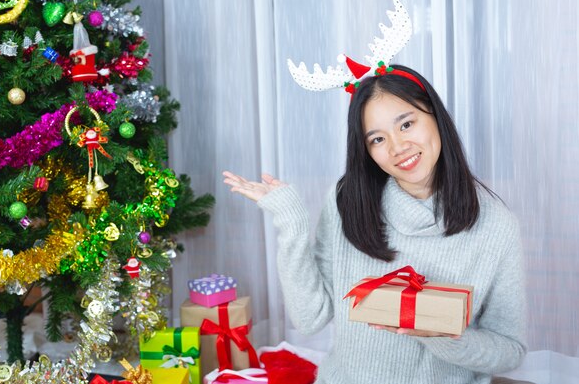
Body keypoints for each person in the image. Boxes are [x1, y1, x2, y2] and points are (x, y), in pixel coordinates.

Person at [222, 64, 527, 384]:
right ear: (367, 151)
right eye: (378, 139)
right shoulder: (348, 202)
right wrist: (292, 225)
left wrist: (441, 334)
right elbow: (310, 319)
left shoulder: (496, 226)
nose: (398, 148)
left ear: (435, 116)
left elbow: (510, 350)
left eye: (407, 124)